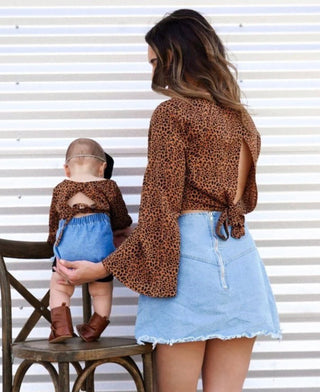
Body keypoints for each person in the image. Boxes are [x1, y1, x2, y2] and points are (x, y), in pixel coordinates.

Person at [55, 9, 281, 391]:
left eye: (156, 62)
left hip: (188, 266)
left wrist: (102, 269)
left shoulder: (172, 114)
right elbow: (242, 202)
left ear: (177, 58)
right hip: (242, 264)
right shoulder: (242, 120)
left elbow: (162, 209)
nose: (154, 74)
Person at [47, 138, 132, 343]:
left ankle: (61, 327)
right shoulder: (109, 187)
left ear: (67, 169)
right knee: (101, 292)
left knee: (60, 286)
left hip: (68, 251)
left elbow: (53, 221)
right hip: (99, 251)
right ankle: (93, 329)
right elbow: (120, 217)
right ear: (102, 168)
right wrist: (121, 228)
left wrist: (52, 241)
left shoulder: (60, 189)